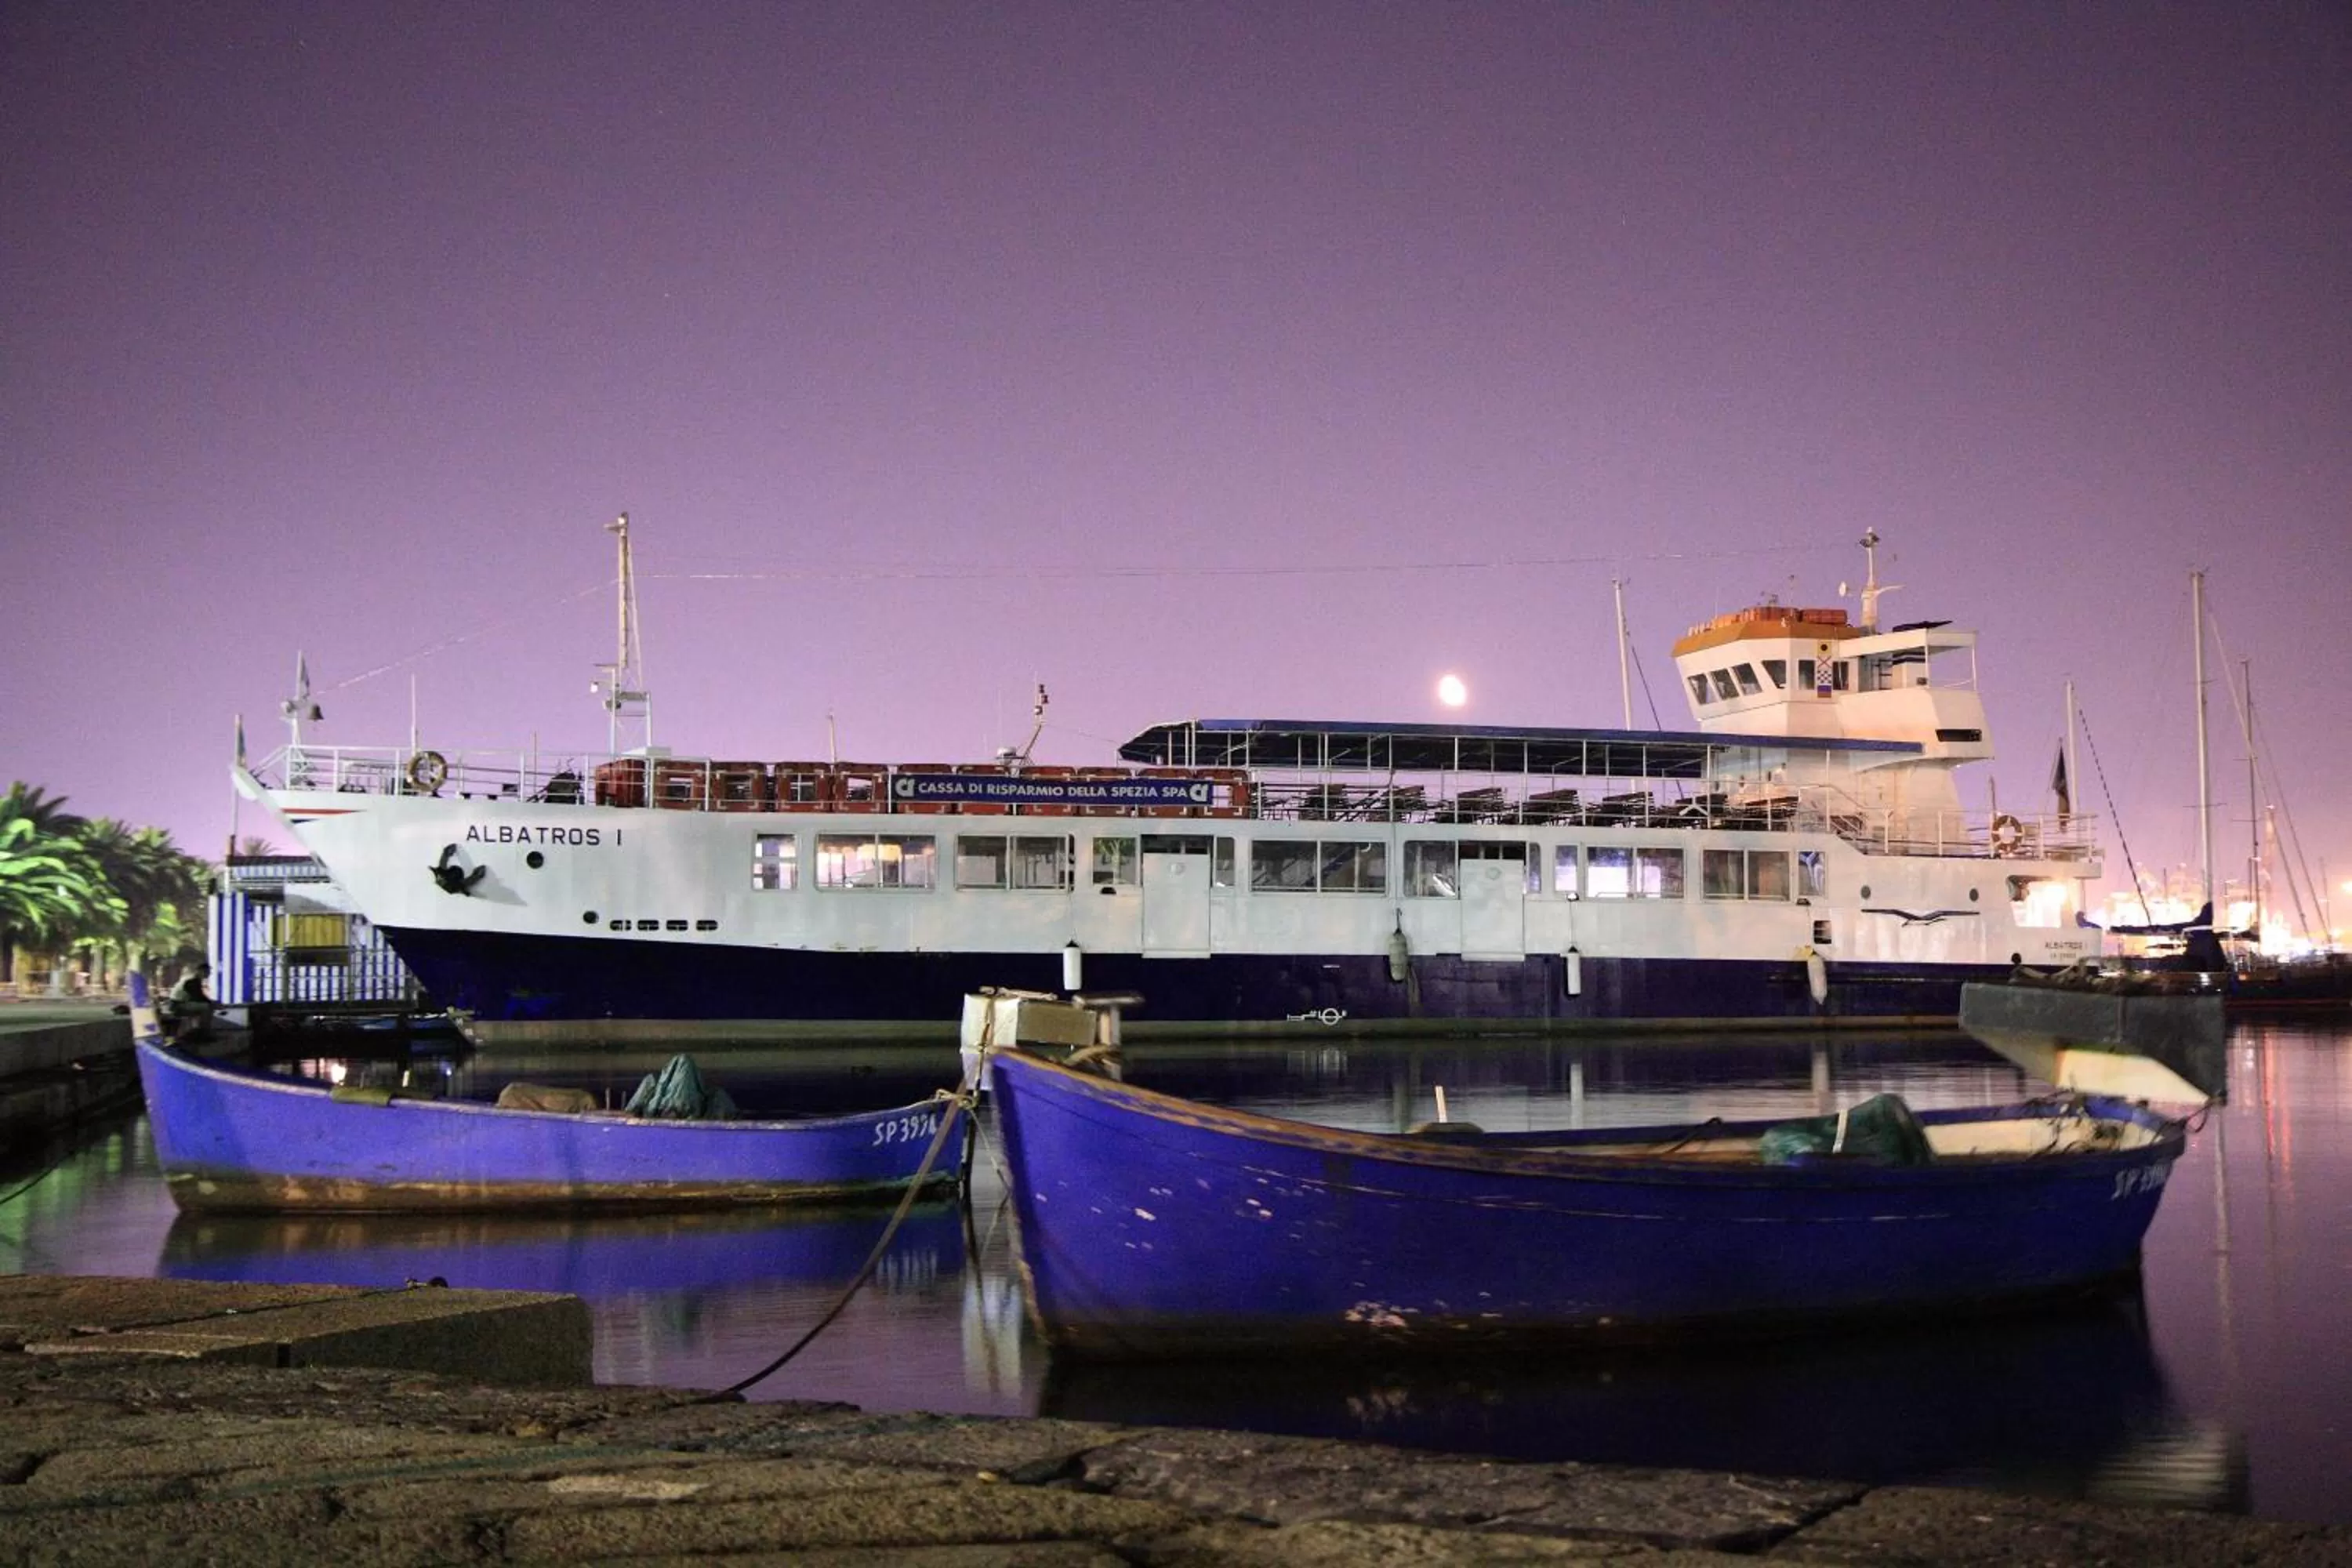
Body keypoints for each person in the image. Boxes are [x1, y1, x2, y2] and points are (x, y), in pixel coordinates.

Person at [169, 963, 216, 1043]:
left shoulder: (195, 980)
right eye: (207, 971)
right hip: (178, 1005)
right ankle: (204, 1033)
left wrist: (211, 1002)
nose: (209, 974)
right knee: (207, 1007)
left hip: (180, 1004)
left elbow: (199, 997)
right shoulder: (192, 980)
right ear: (200, 971)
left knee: (206, 1006)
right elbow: (197, 997)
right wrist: (212, 1004)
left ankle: (199, 1031)